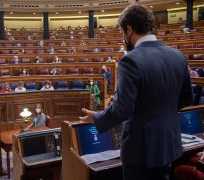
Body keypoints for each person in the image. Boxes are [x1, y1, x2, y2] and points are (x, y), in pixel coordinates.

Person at [79, 3, 192, 180]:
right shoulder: (177, 55)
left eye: (123, 33)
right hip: (169, 144)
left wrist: (96, 117)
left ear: (129, 30)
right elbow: (186, 98)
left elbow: (122, 109)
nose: (124, 37)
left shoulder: (130, 60)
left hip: (142, 151)